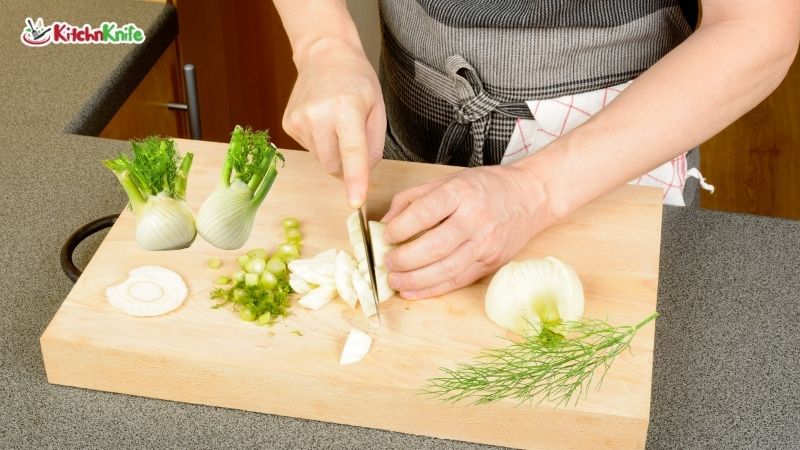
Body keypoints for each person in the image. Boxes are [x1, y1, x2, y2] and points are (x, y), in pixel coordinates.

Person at [273, 0, 800, 299]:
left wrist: (534, 191)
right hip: (410, 127)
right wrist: (324, 41)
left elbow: (758, 29)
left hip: (612, 171)